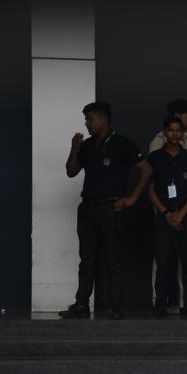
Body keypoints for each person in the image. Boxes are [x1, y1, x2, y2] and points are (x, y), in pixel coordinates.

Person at [59, 101, 151, 320]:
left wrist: (132, 198)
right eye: (86, 120)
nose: (87, 124)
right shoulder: (87, 146)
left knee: (113, 258)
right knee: (87, 258)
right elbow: (71, 172)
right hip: (88, 208)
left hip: (111, 208)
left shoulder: (122, 144)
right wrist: (74, 148)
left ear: (102, 119)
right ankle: (81, 305)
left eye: (90, 120)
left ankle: (115, 307)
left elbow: (146, 170)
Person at [147, 116, 187, 319]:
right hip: (164, 214)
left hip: (186, 214)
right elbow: (150, 190)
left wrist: (181, 214)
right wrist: (166, 213)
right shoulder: (155, 158)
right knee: (162, 261)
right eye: (171, 130)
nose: (175, 134)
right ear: (165, 132)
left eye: (179, 131)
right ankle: (159, 305)